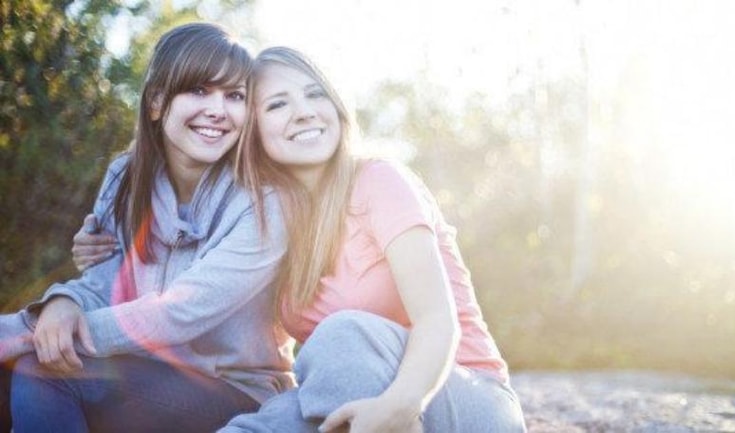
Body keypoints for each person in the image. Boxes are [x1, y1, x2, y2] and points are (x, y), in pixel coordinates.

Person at [71, 46, 527, 433]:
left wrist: (400, 405)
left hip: (458, 397)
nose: (304, 111)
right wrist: (106, 245)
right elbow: (193, 286)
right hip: (344, 396)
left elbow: (437, 320)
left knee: (343, 334)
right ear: (252, 132)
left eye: (315, 94)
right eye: (277, 105)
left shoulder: (379, 181)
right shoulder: (267, 221)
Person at [0, 23, 295, 433]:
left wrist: (40, 332)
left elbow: (182, 311)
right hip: (137, 369)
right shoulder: (127, 177)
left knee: (45, 372)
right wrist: (63, 302)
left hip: (233, 388)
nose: (218, 110)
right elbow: (103, 285)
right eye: (199, 90)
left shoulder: (265, 203)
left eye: (234, 96)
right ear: (156, 102)